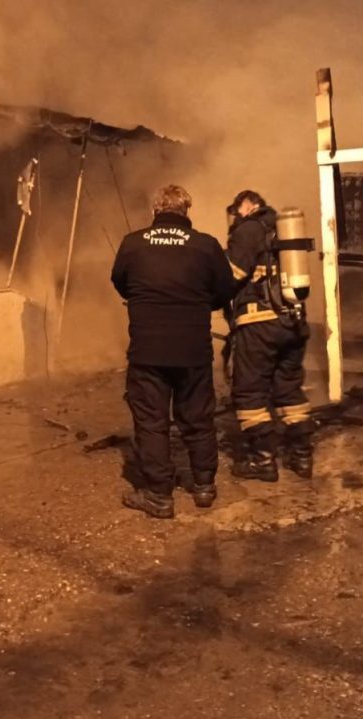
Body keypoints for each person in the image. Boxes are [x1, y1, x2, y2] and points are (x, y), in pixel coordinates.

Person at [111, 185, 236, 519]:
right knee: (198, 418)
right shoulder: (206, 245)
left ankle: (159, 495)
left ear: (155, 210)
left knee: (152, 422)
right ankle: (205, 486)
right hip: (193, 350)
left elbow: (120, 282)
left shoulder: (133, 243)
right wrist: (196, 303)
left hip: (147, 352)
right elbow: (225, 290)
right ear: (187, 211)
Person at [224, 190, 315, 482]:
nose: (234, 217)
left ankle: (262, 461)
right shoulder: (280, 230)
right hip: (293, 322)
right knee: (289, 390)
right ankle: (302, 457)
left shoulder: (250, 229)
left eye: (236, 210)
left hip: (259, 322)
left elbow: (232, 275)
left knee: (250, 390)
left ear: (248, 205)